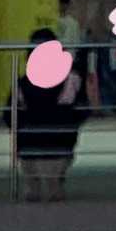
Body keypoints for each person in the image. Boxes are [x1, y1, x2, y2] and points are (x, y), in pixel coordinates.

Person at [15, 24, 85, 199]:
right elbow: (82, 109)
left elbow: (9, 115)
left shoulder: (22, 84)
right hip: (60, 141)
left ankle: (33, 183)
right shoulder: (72, 79)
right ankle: (55, 181)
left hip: (28, 143)